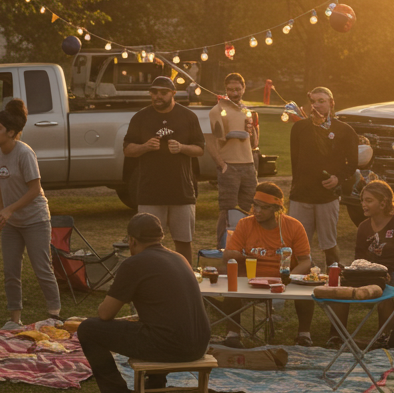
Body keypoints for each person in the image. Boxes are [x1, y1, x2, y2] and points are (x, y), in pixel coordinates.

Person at [77, 213, 211, 393]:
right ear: (160, 237)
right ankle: (155, 386)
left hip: (172, 346)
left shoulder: (134, 264)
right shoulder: (179, 257)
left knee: (88, 329)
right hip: (200, 344)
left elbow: (105, 314)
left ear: (132, 241)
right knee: (156, 324)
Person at [0, 98, 60, 330]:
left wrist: (9, 209)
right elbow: (0, 185)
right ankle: (15, 320)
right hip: (12, 223)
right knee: (11, 270)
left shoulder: (24, 153)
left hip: (35, 219)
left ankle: (54, 315)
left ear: (11, 132)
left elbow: (35, 189)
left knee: (42, 268)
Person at [220, 183, 315, 347]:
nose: (257, 211)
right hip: (250, 278)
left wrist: (290, 278)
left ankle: (304, 335)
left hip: (283, 278)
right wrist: (240, 255)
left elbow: (305, 260)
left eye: (264, 207)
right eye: (255, 205)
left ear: (277, 209)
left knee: (305, 286)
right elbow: (228, 255)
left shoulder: (293, 226)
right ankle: (233, 334)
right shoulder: (245, 224)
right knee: (232, 284)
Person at [123, 75, 205, 261]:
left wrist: (182, 148)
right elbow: (127, 150)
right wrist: (145, 146)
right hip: (150, 192)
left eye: (163, 92)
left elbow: (200, 149)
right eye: (154, 92)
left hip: (181, 192)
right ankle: (148, 275)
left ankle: (184, 275)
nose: (158, 96)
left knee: (183, 242)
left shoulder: (188, 116)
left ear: (173, 93)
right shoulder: (140, 117)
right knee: (145, 243)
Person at [334, 180, 394, 348]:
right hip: (370, 274)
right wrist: (352, 273)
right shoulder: (364, 227)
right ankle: (336, 338)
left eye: (369, 200)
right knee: (341, 291)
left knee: (385, 294)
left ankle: (385, 339)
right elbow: (360, 257)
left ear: (383, 203)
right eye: (362, 200)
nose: (363, 204)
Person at [289, 86, 356, 268]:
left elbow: (352, 164)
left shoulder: (344, 130)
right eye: (313, 101)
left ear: (331, 103)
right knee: (296, 246)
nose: (316, 105)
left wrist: (338, 178)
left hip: (327, 196)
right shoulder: (299, 128)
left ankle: (332, 280)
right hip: (301, 196)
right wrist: (296, 187)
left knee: (329, 245)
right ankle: (300, 281)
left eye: (321, 101)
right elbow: (295, 162)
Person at [206, 72, 258, 247]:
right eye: (230, 90)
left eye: (237, 89)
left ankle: (246, 244)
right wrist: (221, 164)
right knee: (227, 209)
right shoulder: (217, 110)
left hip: (248, 165)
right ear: (225, 90)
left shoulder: (246, 110)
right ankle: (222, 247)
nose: (234, 93)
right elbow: (212, 141)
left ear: (244, 88)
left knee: (250, 207)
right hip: (230, 166)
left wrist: (251, 129)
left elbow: (254, 143)